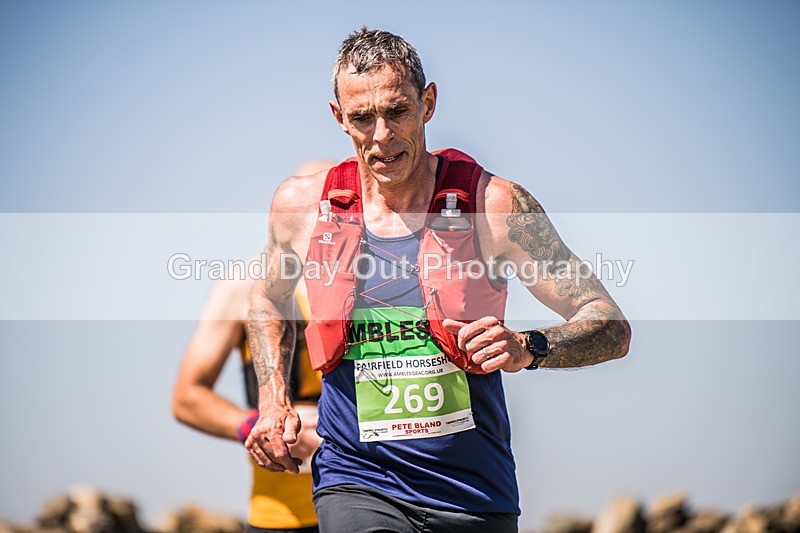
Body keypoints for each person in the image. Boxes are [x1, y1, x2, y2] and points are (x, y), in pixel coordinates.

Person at [245, 28, 631, 533]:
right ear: (339, 117)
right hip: (356, 477)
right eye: (362, 118)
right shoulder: (301, 207)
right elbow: (267, 296)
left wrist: (528, 346)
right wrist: (272, 399)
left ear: (428, 103)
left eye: (398, 111)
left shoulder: (494, 207)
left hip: (473, 492)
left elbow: (610, 325)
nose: (381, 134)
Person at [172, 160, 334, 533]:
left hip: (380, 497)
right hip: (280, 513)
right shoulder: (243, 288)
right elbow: (186, 397)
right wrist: (262, 427)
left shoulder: (387, 280)